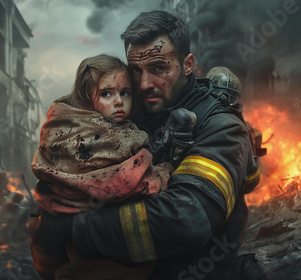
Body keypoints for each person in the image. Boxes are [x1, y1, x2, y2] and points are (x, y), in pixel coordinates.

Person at [32, 11, 265, 280]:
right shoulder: (124, 110)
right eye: (136, 70)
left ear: (187, 65)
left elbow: (189, 219)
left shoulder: (221, 125)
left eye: (158, 68)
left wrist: (76, 229)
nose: (144, 84)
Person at [30, 54, 172, 279]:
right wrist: (163, 173)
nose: (118, 101)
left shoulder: (121, 128)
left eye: (124, 93)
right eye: (106, 93)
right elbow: (120, 184)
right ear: (88, 98)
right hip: (95, 257)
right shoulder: (87, 137)